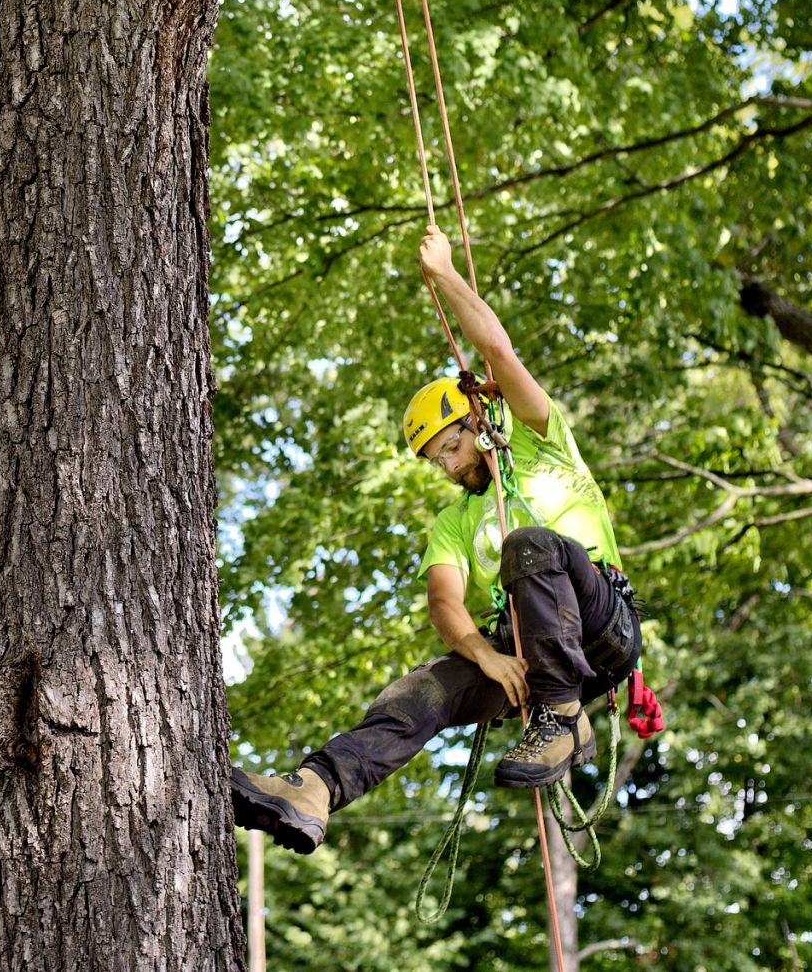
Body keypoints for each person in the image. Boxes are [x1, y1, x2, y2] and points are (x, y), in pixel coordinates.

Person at [230, 224, 643, 855]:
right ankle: (314, 787)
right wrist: (485, 656)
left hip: (598, 622)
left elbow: (499, 352)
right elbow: (445, 606)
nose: (448, 465)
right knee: (418, 692)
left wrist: (445, 274)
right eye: (435, 459)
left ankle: (563, 715)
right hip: (527, 645)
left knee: (529, 544)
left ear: (481, 420)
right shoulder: (452, 523)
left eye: (452, 445)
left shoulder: (541, 443)